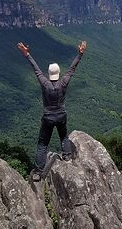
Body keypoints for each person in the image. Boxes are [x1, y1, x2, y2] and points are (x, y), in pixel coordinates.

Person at [17, 40, 87, 181]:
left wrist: (27, 54)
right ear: (58, 72)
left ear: (49, 74)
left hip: (48, 117)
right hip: (61, 115)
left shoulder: (45, 83)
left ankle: (37, 172)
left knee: (43, 144)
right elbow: (71, 69)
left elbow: (36, 70)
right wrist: (80, 54)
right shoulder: (63, 83)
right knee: (64, 136)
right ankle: (66, 156)